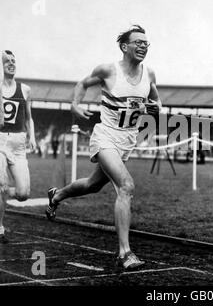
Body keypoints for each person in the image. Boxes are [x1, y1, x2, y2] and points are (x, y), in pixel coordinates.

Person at [45, 25, 161, 269]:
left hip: (126, 142)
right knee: (126, 186)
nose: (143, 46)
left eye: (146, 43)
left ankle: (57, 196)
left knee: (92, 185)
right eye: (138, 42)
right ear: (124, 46)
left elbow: (157, 102)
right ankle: (124, 253)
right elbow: (82, 84)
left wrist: (153, 108)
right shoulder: (108, 70)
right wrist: (74, 105)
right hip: (105, 137)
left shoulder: (148, 74)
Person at [0, 50, 37, 243]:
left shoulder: (25, 89)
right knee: (2, 184)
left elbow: (29, 117)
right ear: (2, 65)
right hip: (0, 141)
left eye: (14, 61)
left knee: (23, 193)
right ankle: (0, 228)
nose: (11, 63)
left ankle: (2, 191)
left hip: (19, 144)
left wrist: (33, 136)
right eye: (7, 61)